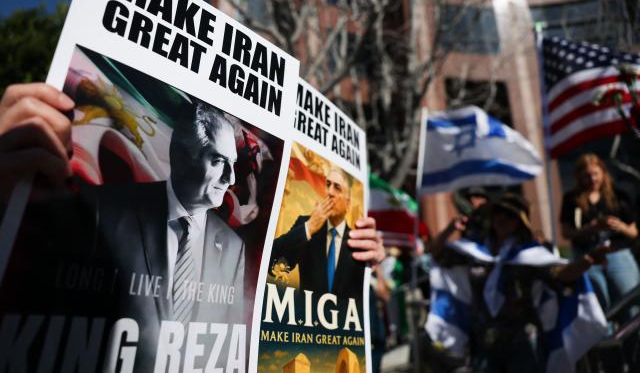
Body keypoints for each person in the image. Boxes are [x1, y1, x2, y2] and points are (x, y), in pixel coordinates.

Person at [0, 83, 385, 369]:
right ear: (181, 155)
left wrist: (365, 263)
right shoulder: (101, 209)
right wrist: (6, 199)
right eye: (218, 161)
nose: (231, 177)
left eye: (233, 163)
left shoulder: (232, 246)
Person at [427, 192, 609, 373]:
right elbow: (436, 254)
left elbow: (559, 274)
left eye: (511, 216)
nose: (503, 219)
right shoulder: (476, 251)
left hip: (521, 339)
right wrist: (450, 229)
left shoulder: (530, 255)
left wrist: (587, 261)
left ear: (520, 222)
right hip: (484, 339)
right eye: (499, 213)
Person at [269, 166, 373, 302]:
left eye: (337, 188)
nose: (329, 192)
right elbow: (273, 264)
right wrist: (309, 228)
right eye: (328, 185)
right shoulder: (306, 224)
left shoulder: (357, 242)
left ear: (348, 204)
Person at [560, 153, 640, 317]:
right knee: (598, 309)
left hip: (617, 254)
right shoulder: (572, 199)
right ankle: (607, 342)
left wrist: (620, 227)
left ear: (603, 173)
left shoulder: (618, 196)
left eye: (595, 174)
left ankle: (632, 342)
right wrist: (591, 228)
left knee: (630, 306)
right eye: (587, 176)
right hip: (589, 257)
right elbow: (566, 232)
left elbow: (633, 232)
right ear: (579, 177)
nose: (592, 179)